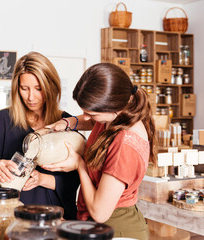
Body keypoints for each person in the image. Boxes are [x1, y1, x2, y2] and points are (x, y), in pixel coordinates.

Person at [43, 63, 156, 239]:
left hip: (116, 228)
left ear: (112, 106)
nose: (86, 118)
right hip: (101, 224)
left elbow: (100, 212)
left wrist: (79, 164)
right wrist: (69, 122)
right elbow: (93, 121)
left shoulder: (124, 146)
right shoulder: (118, 118)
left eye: (92, 114)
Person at [0, 51, 93, 220]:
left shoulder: (64, 123)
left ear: (51, 87)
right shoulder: (4, 120)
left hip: (54, 216)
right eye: (25, 89)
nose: (31, 97)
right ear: (17, 88)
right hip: (8, 215)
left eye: (39, 89)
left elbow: (76, 181)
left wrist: (41, 179)